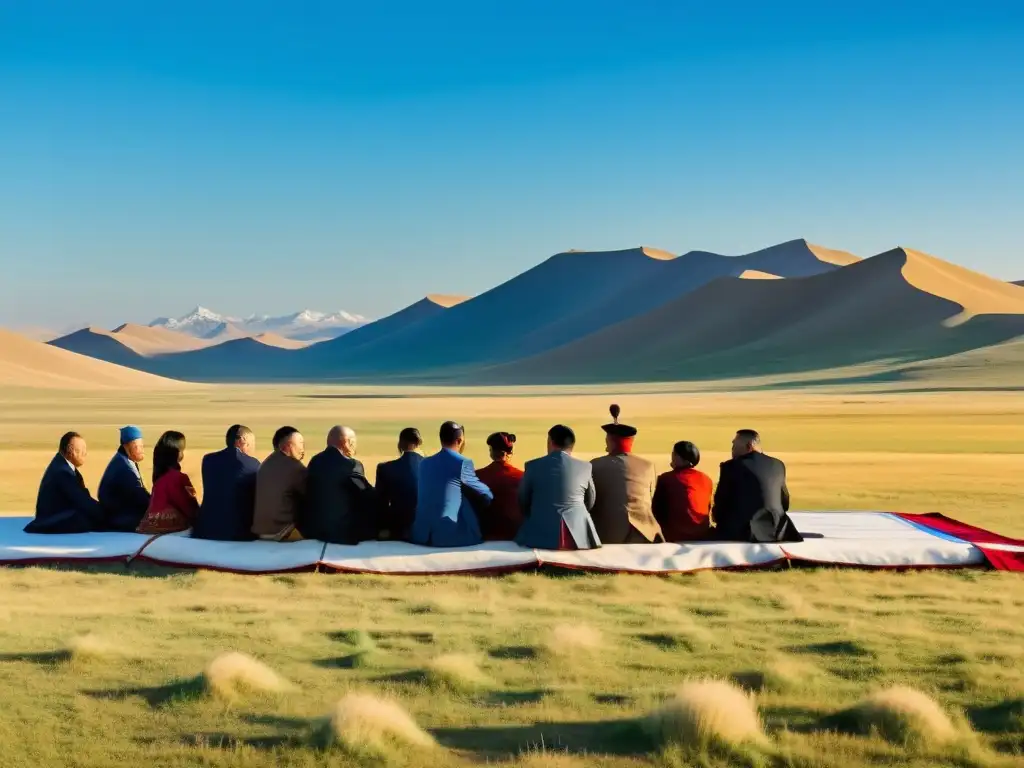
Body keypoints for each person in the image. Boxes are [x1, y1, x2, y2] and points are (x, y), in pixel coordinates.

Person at [515, 424, 601, 550]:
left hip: (539, 534)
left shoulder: (532, 466)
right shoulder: (585, 467)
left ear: (550, 441)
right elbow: (590, 501)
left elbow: (523, 500)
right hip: (579, 536)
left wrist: (536, 515)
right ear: (572, 445)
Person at [409, 421, 492, 547]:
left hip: (423, 534)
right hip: (451, 535)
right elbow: (485, 496)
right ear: (459, 441)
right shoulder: (463, 462)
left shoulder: (424, 463)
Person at [589, 405, 663, 544]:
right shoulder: (648, 466)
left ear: (610, 441)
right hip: (645, 534)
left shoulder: (595, 465)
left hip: (607, 534)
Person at [713, 429, 803, 542]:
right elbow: (784, 501)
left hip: (744, 532)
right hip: (779, 530)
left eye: (734, 445)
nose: (732, 449)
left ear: (749, 446)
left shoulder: (730, 466)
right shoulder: (778, 465)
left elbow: (721, 503)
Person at [302, 426, 376, 544]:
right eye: (354, 443)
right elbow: (367, 496)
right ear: (348, 442)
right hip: (342, 532)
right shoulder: (352, 465)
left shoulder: (314, 462)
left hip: (313, 531)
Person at [25, 432, 103, 534]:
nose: (85, 453)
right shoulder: (62, 472)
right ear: (71, 450)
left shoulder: (64, 466)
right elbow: (82, 500)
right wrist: (106, 511)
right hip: (52, 521)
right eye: (82, 450)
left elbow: (83, 497)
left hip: (58, 516)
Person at [193, 424, 261, 541]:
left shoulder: (208, 460)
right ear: (243, 441)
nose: (253, 448)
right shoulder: (253, 464)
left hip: (205, 529)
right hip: (238, 533)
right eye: (252, 443)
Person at [136, 431, 200, 534]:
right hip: (172, 529)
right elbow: (191, 509)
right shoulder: (179, 478)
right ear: (177, 453)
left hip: (150, 526)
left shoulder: (159, 477)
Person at [252, 426, 308, 541]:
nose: (303, 448)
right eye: (301, 443)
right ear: (288, 446)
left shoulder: (264, 465)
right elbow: (312, 497)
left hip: (260, 532)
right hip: (283, 532)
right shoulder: (295, 467)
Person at [653, 440, 713, 541]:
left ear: (678, 457)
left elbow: (656, 510)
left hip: (674, 536)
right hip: (702, 535)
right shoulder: (706, 479)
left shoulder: (666, 479)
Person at [97, 425, 151, 532]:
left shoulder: (126, 460)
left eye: (142, 446)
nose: (141, 450)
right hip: (118, 518)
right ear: (126, 447)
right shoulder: (124, 467)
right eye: (137, 447)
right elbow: (139, 494)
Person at [374, 427, 424, 540]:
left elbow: (381, 503)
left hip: (397, 529)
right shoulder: (431, 466)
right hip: (424, 527)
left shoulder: (385, 468)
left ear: (400, 444)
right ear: (419, 443)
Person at [475, 432, 525, 540]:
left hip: (486, 533)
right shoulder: (522, 476)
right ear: (510, 452)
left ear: (491, 452)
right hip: (514, 533)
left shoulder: (477, 476)